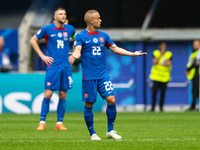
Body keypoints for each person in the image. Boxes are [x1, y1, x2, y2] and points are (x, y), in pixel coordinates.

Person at [68, 10, 147, 140]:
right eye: (98, 18)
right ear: (91, 20)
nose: (101, 20)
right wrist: (76, 54)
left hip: (103, 75)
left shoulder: (103, 36)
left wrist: (132, 54)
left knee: (111, 100)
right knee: (89, 104)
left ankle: (110, 130)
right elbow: (77, 48)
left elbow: (115, 48)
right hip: (89, 76)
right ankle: (92, 133)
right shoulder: (80, 36)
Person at [30, 8, 76, 130]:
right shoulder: (47, 29)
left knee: (62, 94)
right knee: (49, 93)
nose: (63, 16)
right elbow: (33, 40)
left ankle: (59, 123)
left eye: (64, 14)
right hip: (53, 66)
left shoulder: (70, 29)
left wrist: (75, 53)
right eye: (60, 14)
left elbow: (77, 41)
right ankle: (42, 122)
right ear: (55, 17)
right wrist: (42, 56)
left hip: (66, 66)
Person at [149, 41, 172, 112]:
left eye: (165, 45)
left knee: (163, 93)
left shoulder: (169, 54)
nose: (163, 47)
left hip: (165, 77)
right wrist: (161, 55)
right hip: (156, 77)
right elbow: (155, 61)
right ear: (159, 46)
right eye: (162, 45)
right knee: (154, 93)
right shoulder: (155, 53)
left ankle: (161, 108)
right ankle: (152, 108)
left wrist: (160, 63)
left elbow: (168, 63)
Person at [185, 40, 200, 111]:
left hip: (198, 74)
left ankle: (193, 106)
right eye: (194, 44)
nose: (194, 45)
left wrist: (188, 69)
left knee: (197, 91)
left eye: (196, 44)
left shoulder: (198, 53)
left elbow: (196, 63)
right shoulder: (193, 53)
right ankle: (193, 105)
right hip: (194, 74)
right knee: (195, 91)